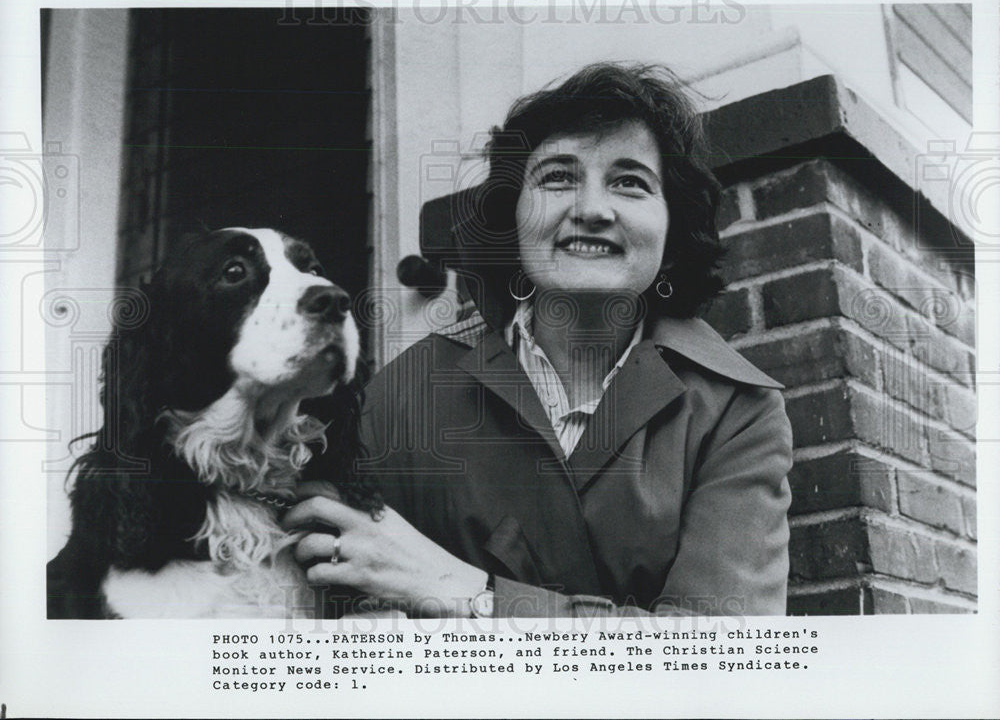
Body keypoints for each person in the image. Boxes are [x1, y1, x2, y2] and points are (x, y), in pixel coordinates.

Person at [284, 62, 793, 617]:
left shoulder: (736, 411)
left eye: (630, 182)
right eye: (557, 178)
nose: (592, 210)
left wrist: (469, 593)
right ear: (514, 224)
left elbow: (720, 662)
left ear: (671, 237)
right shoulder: (403, 394)